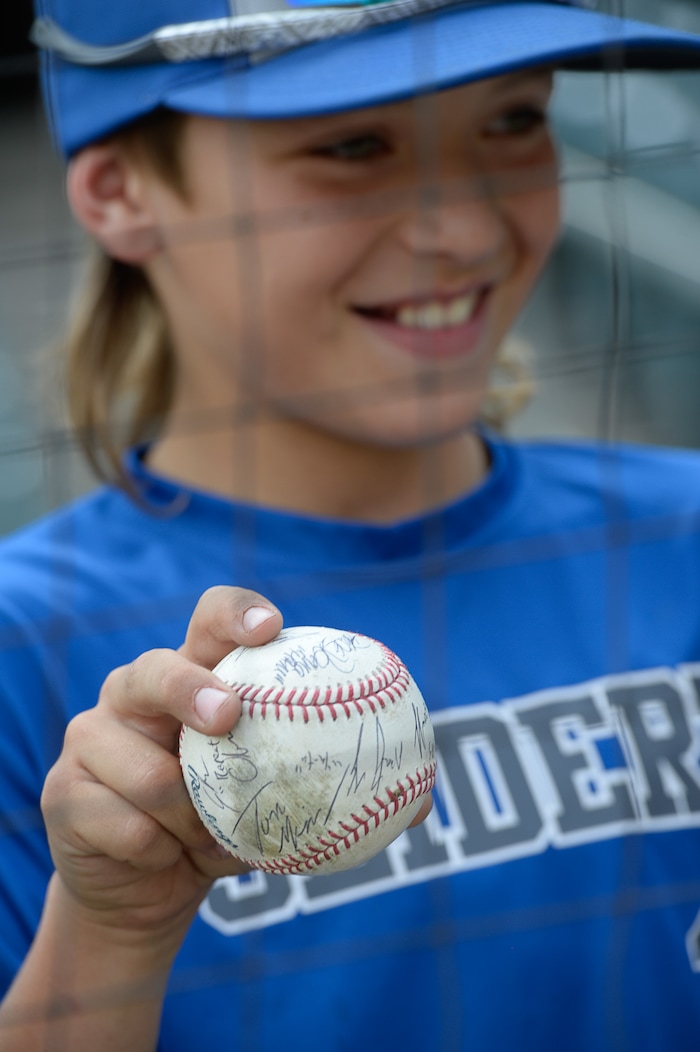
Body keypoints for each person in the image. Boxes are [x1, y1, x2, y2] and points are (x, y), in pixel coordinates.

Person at [2, 0, 700, 1048]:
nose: (464, 228)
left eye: (514, 120)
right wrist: (111, 934)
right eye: (352, 142)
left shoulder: (683, 533)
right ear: (120, 188)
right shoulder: (25, 639)